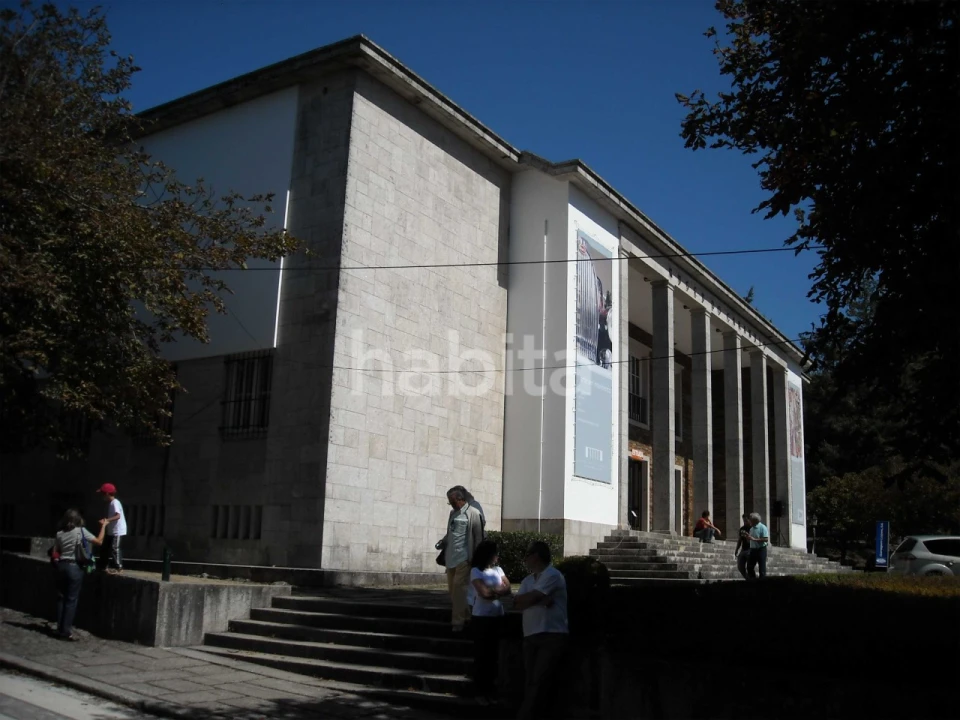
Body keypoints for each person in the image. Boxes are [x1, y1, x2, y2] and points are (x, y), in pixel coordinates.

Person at [513, 541, 568, 720]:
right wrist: (538, 600)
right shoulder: (528, 580)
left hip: (551, 634)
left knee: (539, 680)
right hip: (530, 634)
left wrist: (533, 599)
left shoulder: (553, 575)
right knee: (531, 681)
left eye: (527, 555)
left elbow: (533, 597)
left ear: (536, 556)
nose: (525, 559)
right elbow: (517, 603)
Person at [52, 510, 107, 640]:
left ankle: (60, 628)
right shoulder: (81, 531)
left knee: (61, 598)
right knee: (71, 600)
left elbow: (55, 552)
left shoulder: (59, 533)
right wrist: (103, 526)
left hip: (61, 566)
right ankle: (66, 631)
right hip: (74, 567)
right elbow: (99, 541)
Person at [468, 539, 510, 703]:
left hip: (497, 615)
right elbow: (483, 593)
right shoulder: (476, 572)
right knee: (482, 656)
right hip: (482, 617)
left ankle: (491, 690)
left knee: (493, 656)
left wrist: (495, 591)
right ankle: (480, 691)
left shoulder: (498, 570)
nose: (497, 558)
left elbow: (508, 588)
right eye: (495, 554)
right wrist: (498, 591)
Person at [440, 487, 484, 632]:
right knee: (453, 591)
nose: (451, 505)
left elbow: (478, 538)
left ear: (460, 499)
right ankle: (466, 616)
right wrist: (443, 541)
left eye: (452, 502)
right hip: (451, 557)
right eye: (449, 503)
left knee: (459, 588)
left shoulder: (473, 513)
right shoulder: (452, 514)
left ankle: (457, 622)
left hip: (465, 558)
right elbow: (450, 533)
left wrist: (477, 559)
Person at [97, 483, 127, 574]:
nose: (102, 497)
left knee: (115, 548)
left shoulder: (115, 502)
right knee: (105, 547)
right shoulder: (111, 503)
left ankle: (119, 567)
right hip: (111, 530)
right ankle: (104, 566)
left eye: (102, 494)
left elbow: (118, 516)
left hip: (117, 531)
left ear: (106, 494)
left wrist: (107, 520)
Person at [747, 512, 770, 580]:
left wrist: (754, 539)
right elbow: (751, 539)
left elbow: (766, 539)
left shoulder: (763, 527)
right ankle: (753, 580)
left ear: (754, 520)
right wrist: (748, 538)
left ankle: (762, 583)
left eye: (750, 520)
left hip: (761, 549)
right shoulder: (751, 529)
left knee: (762, 568)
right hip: (753, 549)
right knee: (749, 567)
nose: (749, 521)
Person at [734, 514, 752, 579]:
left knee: (749, 567)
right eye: (744, 521)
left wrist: (748, 536)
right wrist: (736, 550)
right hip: (743, 549)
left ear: (750, 520)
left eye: (746, 521)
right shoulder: (742, 529)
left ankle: (752, 579)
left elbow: (753, 540)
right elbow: (739, 540)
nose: (745, 522)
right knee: (740, 566)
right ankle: (747, 578)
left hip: (751, 549)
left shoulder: (753, 528)